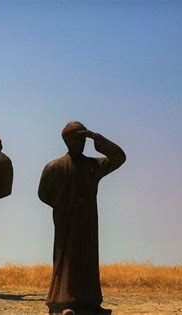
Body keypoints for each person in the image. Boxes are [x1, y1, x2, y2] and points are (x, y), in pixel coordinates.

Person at [38, 121, 126, 314]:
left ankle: (90, 303)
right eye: (78, 139)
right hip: (66, 222)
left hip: (87, 222)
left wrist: (96, 137)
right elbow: (43, 193)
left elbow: (119, 157)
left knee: (87, 259)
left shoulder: (92, 165)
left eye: (83, 139)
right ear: (67, 141)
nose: (82, 142)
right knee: (65, 259)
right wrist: (62, 206)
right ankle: (61, 302)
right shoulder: (54, 167)